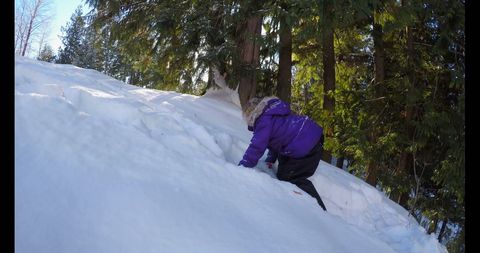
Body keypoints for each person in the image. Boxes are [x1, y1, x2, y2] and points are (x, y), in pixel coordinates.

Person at [238, 96, 327, 211]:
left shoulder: (262, 121)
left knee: (290, 177)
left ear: (251, 115)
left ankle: (319, 210)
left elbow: (257, 145)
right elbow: (277, 138)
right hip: (309, 137)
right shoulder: (272, 113)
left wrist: (244, 165)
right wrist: (271, 158)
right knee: (284, 160)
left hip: (306, 144)